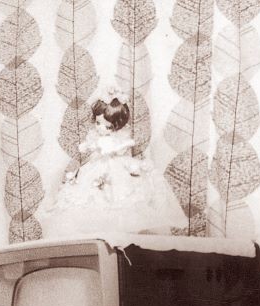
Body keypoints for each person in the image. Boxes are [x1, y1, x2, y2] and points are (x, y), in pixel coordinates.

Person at [40, 85, 188, 237]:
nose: (101, 128)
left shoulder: (118, 140)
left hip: (117, 170)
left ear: (116, 126)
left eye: (107, 126)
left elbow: (123, 146)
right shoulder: (97, 137)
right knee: (88, 197)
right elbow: (90, 146)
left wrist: (107, 147)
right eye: (98, 123)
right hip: (96, 167)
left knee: (120, 197)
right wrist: (87, 146)